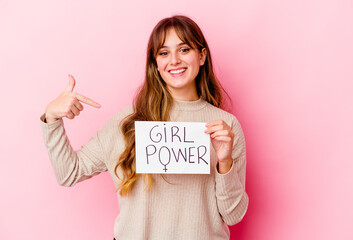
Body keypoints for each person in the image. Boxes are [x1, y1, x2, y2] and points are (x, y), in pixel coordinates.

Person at [40, 15, 249, 240]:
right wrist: (52, 118)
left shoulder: (225, 127)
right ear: (155, 63)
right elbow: (69, 173)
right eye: (164, 53)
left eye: (184, 49)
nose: (175, 60)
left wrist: (225, 164)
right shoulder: (129, 122)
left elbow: (233, 215)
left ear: (202, 56)